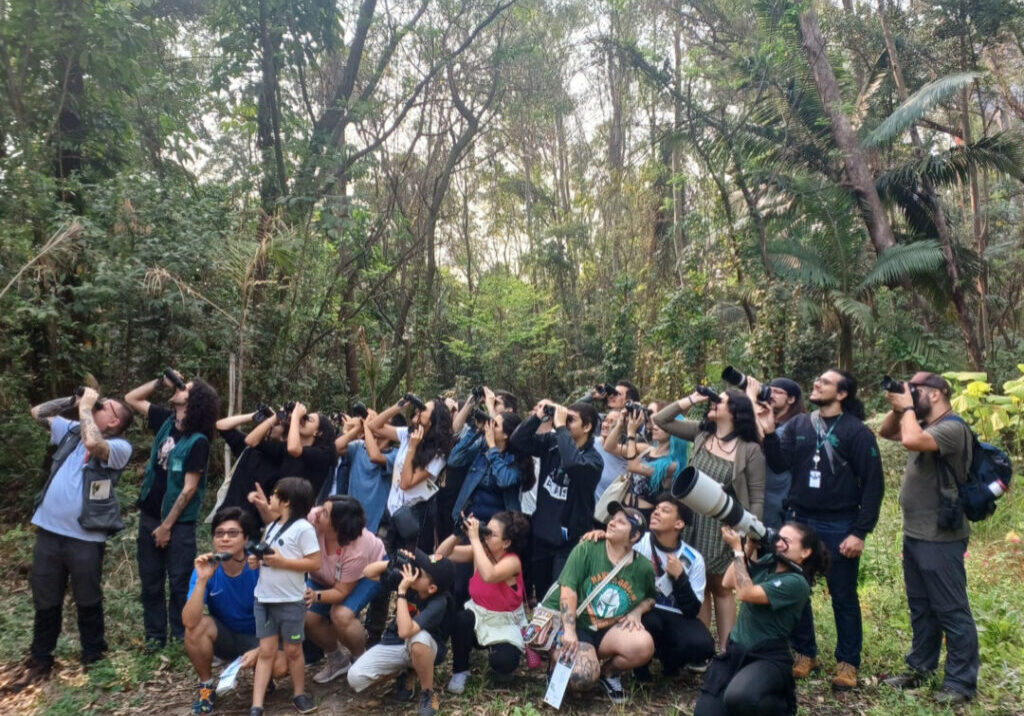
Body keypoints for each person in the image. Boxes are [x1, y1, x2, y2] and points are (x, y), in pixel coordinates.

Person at [758, 369, 884, 689]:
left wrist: (859, 532)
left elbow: (873, 485)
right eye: (817, 380)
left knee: (842, 593)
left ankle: (847, 662)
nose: (816, 383)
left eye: (825, 382)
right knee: (794, 589)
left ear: (842, 394)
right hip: (798, 519)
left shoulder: (857, 432)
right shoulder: (799, 425)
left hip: (839, 522)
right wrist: (770, 433)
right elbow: (779, 464)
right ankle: (805, 653)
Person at [18, 387, 133, 687]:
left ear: (113, 422)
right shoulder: (71, 431)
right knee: (46, 596)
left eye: (106, 406)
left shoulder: (119, 447)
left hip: (86, 538)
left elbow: (93, 443)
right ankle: (41, 658)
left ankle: (93, 657)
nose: (101, 403)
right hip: (48, 532)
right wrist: (73, 401)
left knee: (87, 597)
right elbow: (37, 413)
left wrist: (86, 408)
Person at [879, 372, 978, 705]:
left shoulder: (952, 428)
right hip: (915, 534)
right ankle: (920, 668)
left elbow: (910, 441)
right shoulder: (920, 422)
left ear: (936, 394)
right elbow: (886, 431)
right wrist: (901, 406)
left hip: (941, 536)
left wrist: (907, 407)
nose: (910, 394)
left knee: (951, 609)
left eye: (916, 390)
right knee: (921, 608)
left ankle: (961, 682)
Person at [653, 390, 765, 652]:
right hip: (691, 521)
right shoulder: (702, 434)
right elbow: (661, 419)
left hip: (722, 524)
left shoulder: (750, 450)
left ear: (737, 410)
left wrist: (751, 536)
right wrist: (693, 399)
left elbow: (757, 496)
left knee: (721, 588)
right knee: (698, 584)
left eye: (720, 400)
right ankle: (701, 648)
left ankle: (726, 650)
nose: (713, 402)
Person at [693, 523, 829, 716]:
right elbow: (728, 582)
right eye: (778, 538)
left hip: (767, 657)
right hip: (736, 651)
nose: (779, 544)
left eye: (787, 541)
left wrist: (738, 550)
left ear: (805, 552)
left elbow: (746, 593)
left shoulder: (797, 583)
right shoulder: (769, 562)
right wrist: (748, 547)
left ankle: (780, 708)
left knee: (740, 697)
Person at [125, 370, 218, 648]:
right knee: (150, 581)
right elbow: (131, 398)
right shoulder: (165, 422)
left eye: (184, 388)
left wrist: (167, 526)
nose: (178, 388)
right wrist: (158, 382)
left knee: (179, 583)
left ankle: (181, 636)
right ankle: (155, 637)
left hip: (178, 525)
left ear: (194, 401)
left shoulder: (198, 441)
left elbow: (189, 489)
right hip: (149, 515)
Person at [544, 503, 656, 704]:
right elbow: (567, 589)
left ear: (635, 536)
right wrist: (569, 630)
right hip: (577, 625)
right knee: (582, 678)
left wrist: (637, 611)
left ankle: (609, 673)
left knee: (644, 645)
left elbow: (650, 597)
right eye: (612, 518)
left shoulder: (643, 568)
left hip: (607, 629)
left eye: (621, 522)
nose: (612, 523)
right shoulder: (588, 547)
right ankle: (557, 667)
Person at [183, 507, 287, 715]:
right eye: (219, 534)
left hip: (262, 637)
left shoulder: (259, 565)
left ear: (246, 538)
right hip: (227, 635)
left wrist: (261, 650)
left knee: (280, 667)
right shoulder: (207, 567)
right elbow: (189, 621)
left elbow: (283, 614)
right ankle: (206, 688)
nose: (225, 539)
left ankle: (263, 676)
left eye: (233, 533)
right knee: (196, 628)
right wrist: (202, 580)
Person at [509, 400, 603, 598]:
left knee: (559, 595)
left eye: (571, 420)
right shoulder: (551, 444)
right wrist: (537, 417)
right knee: (542, 593)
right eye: (565, 418)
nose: (565, 423)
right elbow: (518, 441)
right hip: (542, 533)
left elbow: (573, 465)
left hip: (569, 542)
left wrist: (560, 428)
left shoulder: (594, 461)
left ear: (587, 427)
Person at [246, 477, 321, 716]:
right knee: (266, 650)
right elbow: (265, 553)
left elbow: (314, 562)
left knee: (293, 650)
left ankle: (299, 693)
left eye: (275, 495)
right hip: (264, 599)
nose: (271, 498)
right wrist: (255, 560)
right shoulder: (272, 525)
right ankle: (256, 704)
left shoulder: (304, 528)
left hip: (290, 599)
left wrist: (282, 562)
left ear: (287, 502)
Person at [349, 549, 456, 716]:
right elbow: (368, 572)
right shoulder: (408, 580)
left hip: (428, 648)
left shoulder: (438, 602)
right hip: (397, 644)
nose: (414, 571)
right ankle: (405, 670)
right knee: (355, 677)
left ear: (432, 587)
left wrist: (401, 592)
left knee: (418, 639)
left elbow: (406, 631)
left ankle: (428, 693)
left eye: (420, 572)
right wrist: (394, 562)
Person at [437, 511, 530, 692]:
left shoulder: (512, 562)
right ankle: (460, 670)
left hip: (504, 622)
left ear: (506, 542)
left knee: (503, 663)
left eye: (492, 534)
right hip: (479, 616)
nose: (486, 535)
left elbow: (489, 575)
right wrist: (458, 534)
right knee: (461, 618)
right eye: (486, 530)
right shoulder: (480, 550)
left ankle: (499, 659)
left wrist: (475, 539)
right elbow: (441, 555)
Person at [303, 495, 386, 684]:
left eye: (324, 513)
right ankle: (336, 659)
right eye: (321, 508)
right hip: (323, 575)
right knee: (307, 616)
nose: (317, 515)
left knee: (341, 614)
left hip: (366, 573)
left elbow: (341, 592)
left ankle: (360, 659)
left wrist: (315, 596)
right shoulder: (312, 519)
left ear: (337, 525)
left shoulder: (356, 549)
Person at [632, 494, 715, 676]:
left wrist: (680, 578)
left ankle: (670, 662)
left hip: (675, 617)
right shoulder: (638, 543)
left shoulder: (693, 558)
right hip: (643, 612)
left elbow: (692, 610)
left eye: (665, 511)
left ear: (678, 524)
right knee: (651, 621)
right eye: (656, 509)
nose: (656, 513)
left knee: (703, 644)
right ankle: (639, 667)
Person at [367, 395, 454, 550]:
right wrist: (397, 407)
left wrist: (412, 448)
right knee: (380, 556)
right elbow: (373, 426)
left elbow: (406, 483)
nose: (419, 411)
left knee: (403, 567)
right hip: (391, 510)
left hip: (412, 516)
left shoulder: (438, 454)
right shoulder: (407, 434)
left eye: (424, 409)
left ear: (433, 419)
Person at [604, 402, 689, 521]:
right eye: (655, 424)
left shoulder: (673, 465)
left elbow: (633, 467)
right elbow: (609, 447)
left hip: (645, 515)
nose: (654, 427)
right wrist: (620, 424)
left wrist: (631, 433)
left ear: (675, 432)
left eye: (661, 426)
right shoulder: (646, 449)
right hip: (624, 508)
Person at [448, 411, 531, 525]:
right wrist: (474, 430)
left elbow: (504, 480)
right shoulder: (482, 449)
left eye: (495, 425)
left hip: (498, 529)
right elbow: (454, 460)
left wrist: (492, 447)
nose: (490, 427)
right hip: (469, 521)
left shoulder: (517, 461)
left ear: (506, 435)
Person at [242, 402, 337, 499]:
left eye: (309, 420)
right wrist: (276, 417)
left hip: (299, 510)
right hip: (278, 505)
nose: (303, 420)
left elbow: (294, 449)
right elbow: (251, 440)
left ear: (318, 432)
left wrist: (295, 416)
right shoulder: (286, 448)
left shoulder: (323, 453)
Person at [212, 409, 285, 526]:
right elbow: (221, 425)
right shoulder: (249, 447)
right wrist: (253, 416)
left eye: (277, 423)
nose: (270, 424)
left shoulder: (284, 459)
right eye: (269, 421)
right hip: (226, 519)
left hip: (252, 527)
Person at [334, 412, 399, 534]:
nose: (379, 426)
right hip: (353, 518)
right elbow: (337, 447)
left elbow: (375, 456)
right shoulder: (359, 447)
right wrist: (357, 429)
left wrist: (367, 428)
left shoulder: (395, 454)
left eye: (385, 425)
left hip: (378, 523)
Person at [762, 378, 804, 530]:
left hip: (779, 499)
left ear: (791, 399)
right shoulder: (770, 421)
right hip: (764, 495)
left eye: (778, 392)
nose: (771, 394)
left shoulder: (794, 426)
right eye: (770, 390)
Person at [593, 409, 628, 501]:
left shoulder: (625, 451)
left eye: (612, 422)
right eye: (605, 420)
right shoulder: (592, 443)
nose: (605, 425)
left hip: (610, 509)